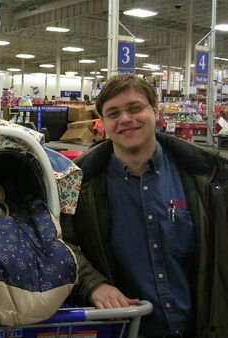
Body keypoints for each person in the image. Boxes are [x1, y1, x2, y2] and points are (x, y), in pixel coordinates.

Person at [62, 74, 228, 337]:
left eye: (135, 108)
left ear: (155, 111)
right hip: (127, 328)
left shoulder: (206, 178)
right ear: (102, 123)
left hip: (202, 326)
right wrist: (93, 284)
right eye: (114, 113)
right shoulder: (79, 183)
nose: (126, 119)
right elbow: (58, 241)